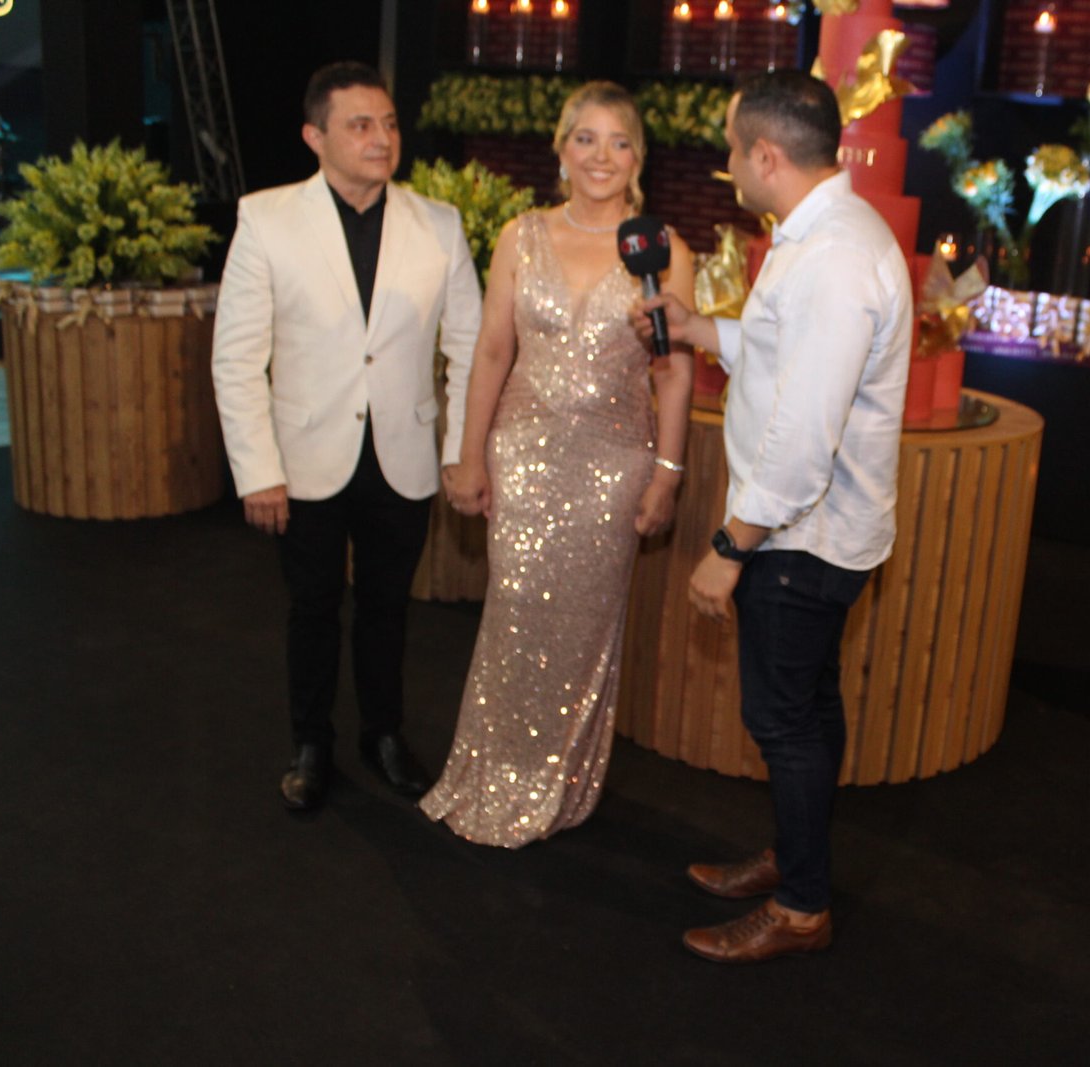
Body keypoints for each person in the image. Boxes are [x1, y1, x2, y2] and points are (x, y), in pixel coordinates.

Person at [635, 70, 912, 963]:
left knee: (784, 721)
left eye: (730, 148)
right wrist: (700, 331)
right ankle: (798, 859)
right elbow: (781, 353)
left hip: (801, 538)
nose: (726, 164)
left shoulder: (833, 257)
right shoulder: (820, 233)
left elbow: (802, 435)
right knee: (808, 709)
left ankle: (799, 907)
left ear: (765, 155)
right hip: (813, 533)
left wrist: (729, 546)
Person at [418, 81, 695, 847]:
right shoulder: (521, 235)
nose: (601, 156)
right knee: (512, 614)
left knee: (582, 627)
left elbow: (675, 373)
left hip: (613, 464)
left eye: (619, 141)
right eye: (586, 138)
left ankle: (557, 783)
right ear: (561, 148)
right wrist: (469, 455)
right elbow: (492, 350)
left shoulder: (662, 249)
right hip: (522, 455)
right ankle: (495, 772)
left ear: (638, 157)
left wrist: (667, 473)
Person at [212, 62, 483, 812]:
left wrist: (459, 450)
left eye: (389, 123)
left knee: (388, 608)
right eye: (361, 125)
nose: (381, 138)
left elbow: (469, 347)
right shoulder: (266, 219)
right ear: (315, 136)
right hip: (304, 458)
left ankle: (383, 735)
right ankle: (310, 743)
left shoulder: (439, 223)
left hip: (405, 452)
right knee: (312, 607)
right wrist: (257, 470)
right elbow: (236, 357)